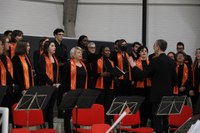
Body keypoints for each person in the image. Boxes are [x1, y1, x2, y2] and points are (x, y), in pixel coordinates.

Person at [130, 39, 176, 133]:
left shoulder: (155, 61)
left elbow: (143, 75)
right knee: (165, 119)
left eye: (154, 45)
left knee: (157, 120)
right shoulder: (171, 61)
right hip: (168, 94)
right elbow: (175, 80)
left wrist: (133, 65)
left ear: (158, 47)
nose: (154, 47)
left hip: (157, 95)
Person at [62, 46, 88, 133]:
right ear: (73, 55)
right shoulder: (68, 64)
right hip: (70, 92)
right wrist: (65, 92)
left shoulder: (83, 65)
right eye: (78, 52)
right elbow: (64, 79)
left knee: (78, 113)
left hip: (81, 92)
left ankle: (78, 130)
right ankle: (68, 131)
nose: (80, 54)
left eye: (81, 52)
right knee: (68, 113)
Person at [39, 40, 60, 128]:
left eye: (54, 46)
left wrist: (57, 83)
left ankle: (51, 127)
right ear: (47, 48)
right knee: (45, 107)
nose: (54, 47)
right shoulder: (42, 57)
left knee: (51, 107)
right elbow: (43, 73)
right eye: (52, 46)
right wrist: (52, 83)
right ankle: (43, 126)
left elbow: (57, 72)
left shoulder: (55, 57)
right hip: (46, 86)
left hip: (54, 86)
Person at [94, 46, 114, 124]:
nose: (108, 52)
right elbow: (92, 74)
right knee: (100, 106)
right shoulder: (97, 61)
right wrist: (101, 74)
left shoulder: (111, 62)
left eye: (109, 50)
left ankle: (107, 123)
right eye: (106, 50)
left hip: (109, 86)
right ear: (102, 52)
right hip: (100, 87)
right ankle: (99, 123)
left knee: (108, 106)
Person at [132, 46, 151, 127]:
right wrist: (143, 76)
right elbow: (134, 76)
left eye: (145, 51)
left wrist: (142, 76)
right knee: (137, 109)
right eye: (142, 51)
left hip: (148, 89)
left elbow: (151, 75)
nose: (144, 53)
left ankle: (143, 127)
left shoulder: (150, 63)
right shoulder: (135, 62)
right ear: (139, 53)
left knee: (145, 109)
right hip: (137, 89)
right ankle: (135, 128)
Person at [0, 37, 14, 122]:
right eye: (1, 44)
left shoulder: (5, 57)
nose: (2, 46)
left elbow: (7, 74)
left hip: (5, 88)